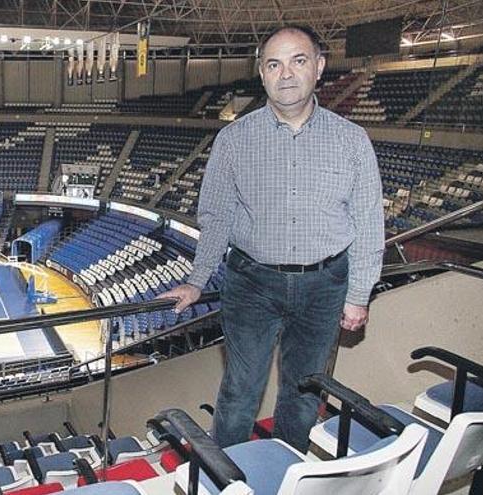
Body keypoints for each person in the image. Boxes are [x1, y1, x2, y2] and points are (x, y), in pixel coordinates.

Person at [157, 25, 384, 452]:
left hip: (325, 286)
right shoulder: (233, 140)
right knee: (240, 391)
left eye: (298, 61)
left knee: (304, 393)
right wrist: (197, 279)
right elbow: (217, 216)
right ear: (261, 73)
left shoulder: (352, 140)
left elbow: (369, 222)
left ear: (318, 67)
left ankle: (286, 467)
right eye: (273, 64)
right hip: (251, 284)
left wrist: (358, 294)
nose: (286, 74)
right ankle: (227, 475)